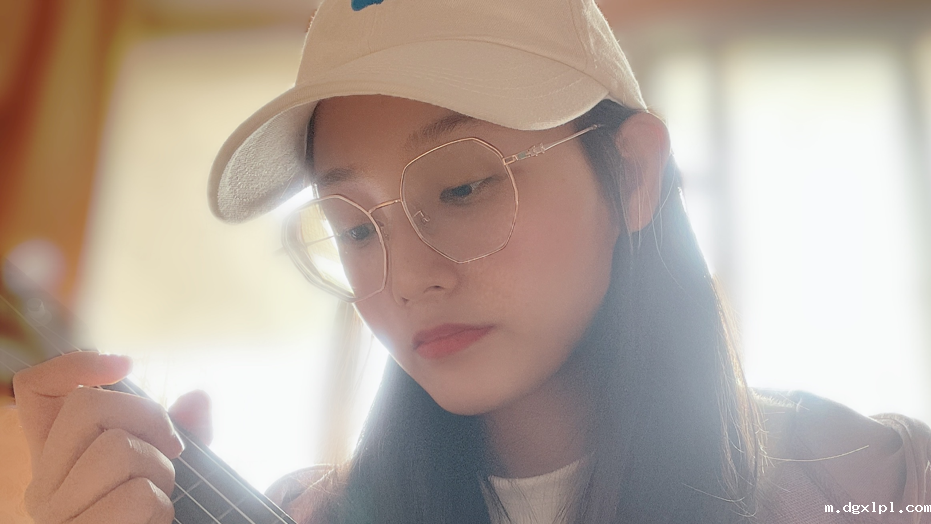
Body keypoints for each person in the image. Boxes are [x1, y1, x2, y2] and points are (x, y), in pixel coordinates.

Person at [11, 0, 931, 523]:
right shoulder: (310, 515)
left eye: (462, 187)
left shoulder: (878, 487)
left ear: (632, 174)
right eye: (353, 227)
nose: (406, 277)